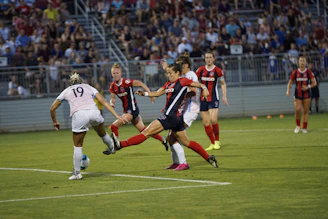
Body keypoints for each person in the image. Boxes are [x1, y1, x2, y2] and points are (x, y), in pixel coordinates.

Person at [110, 63, 219, 168]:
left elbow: (199, 84)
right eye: (167, 73)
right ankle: (208, 157)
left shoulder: (182, 81)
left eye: (170, 73)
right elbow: (157, 93)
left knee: (146, 132)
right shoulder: (168, 83)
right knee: (186, 142)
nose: (169, 75)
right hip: (177, 119)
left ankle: (120, 145)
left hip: (170, 117)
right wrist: (145, 94)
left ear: (177, 72)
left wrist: (204, 88)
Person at [50, 72, 127, 180]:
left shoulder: (67, 91)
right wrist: (116, 115)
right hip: (93, 111)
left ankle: (77, 174)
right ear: (81, 81)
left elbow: (52, 108)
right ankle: (112, 147)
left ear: (71, 83)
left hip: (79, 115)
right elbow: (103, 102)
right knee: (102, 133)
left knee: (78, 145)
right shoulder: (88, 87)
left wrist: (55, 122)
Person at [104, 63, 168, 154]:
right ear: (111, 74)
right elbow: (113, 98)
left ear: (121, 73)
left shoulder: (126, 82)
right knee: (144, 130)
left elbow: (140, 83)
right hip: (128, 111)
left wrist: (149, 94)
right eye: (114, 73)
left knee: (114, 126)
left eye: (117, 73)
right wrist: (112, 103)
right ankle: (163, 140)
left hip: (132, 110)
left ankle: (114, 147)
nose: (115, 75)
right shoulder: (112, 86)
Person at [160, 53, 200, 171]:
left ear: (186, 65)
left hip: (190, 109)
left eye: (179, 64)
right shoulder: (181, 77)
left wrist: (179, 99)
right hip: (182, 110)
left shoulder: (190, 75)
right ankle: (177, 162)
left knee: (174, 136)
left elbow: (193, 91)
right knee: (171, 137)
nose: (177, 66)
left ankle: (183, 162)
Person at [195, 52, 228, 151]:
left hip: (213, 97)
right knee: (205, 122)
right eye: (206, 58)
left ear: (213, 59)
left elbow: (223, 83)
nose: (208, 59)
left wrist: (224, 96)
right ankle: (212, 143)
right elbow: (195, 81)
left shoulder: (218, 71)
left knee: (213, 120)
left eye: (210, 57)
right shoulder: (200, 70)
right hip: (202, 98)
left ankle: (217, 141)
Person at [286, 56, 317, 133]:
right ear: (298, 62)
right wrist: (288, 90)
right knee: (297, 109)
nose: (302, 62)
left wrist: (308, 86)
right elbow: (290, 82)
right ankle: (297, 126)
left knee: (305, 111)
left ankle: (304, 128)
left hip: (307, 95)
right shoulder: (295, 72)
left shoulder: (309, 72)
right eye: (301, 60)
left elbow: (314, 83)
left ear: (305, 62)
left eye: (303, 60)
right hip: (298, 94)